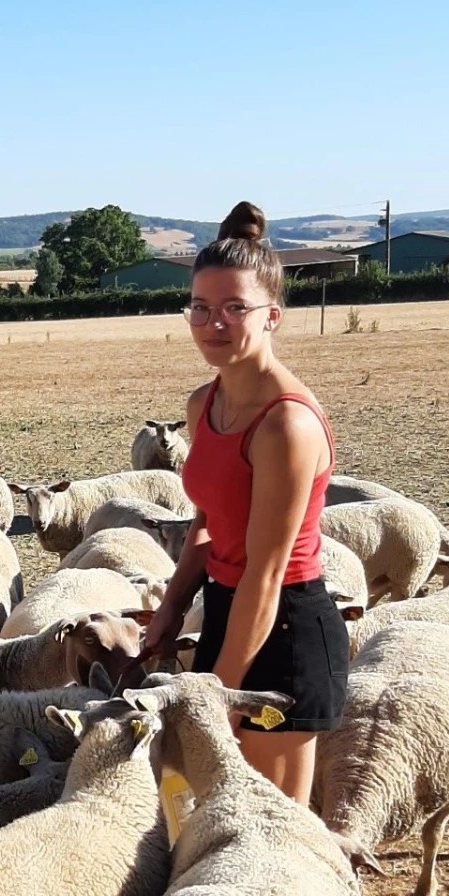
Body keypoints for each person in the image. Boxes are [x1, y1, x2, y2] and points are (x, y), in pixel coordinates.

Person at [141, 217, 347, 805]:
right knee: (204, 806)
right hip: (225, 614)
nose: (214, 324)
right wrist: (172, 609)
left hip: (282, 632)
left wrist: (219, 696)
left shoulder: (286, 423)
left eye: (235, 308)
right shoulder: (203, 403)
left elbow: (267, 572)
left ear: (272, 316)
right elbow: (208, 525)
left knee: (269, 829)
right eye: (200, 308)